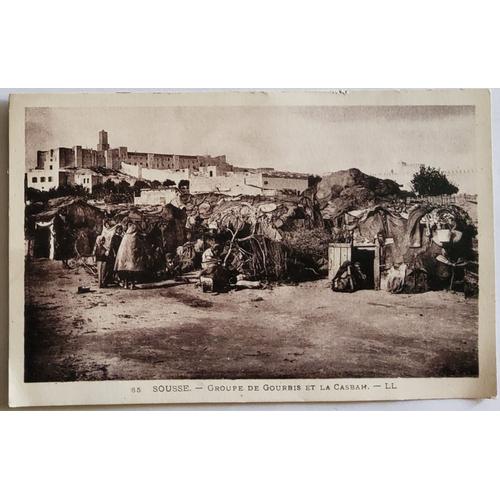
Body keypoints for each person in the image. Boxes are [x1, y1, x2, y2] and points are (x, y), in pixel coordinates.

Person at [114, 222, 145, 289]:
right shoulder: (135, 237)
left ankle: (126, 284)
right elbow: (138, 247)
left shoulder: (125, 236)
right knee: (133, 271)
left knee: (126, 271)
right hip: (132, 258)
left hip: (124, 259)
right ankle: (132, 285)